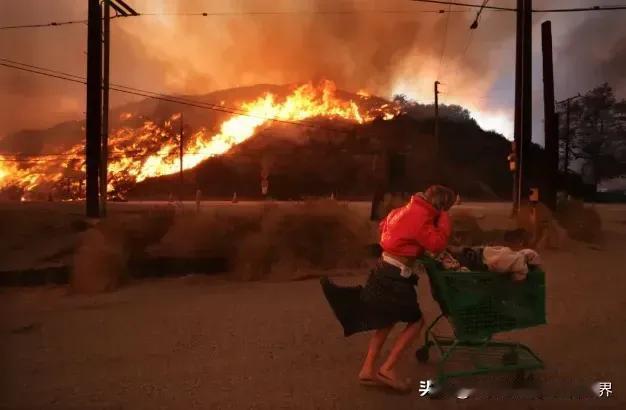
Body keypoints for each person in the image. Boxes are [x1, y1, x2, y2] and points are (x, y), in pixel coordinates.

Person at [320, 185, 456, 392]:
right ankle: (388, 369)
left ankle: (368, 370)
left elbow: (383, 227)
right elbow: (437, 243)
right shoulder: (420, 217)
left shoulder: (403, 210)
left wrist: (406, 246)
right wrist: (444, 218)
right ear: (441, 205)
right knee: (416, 322)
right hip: (396, 276)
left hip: (383, 267)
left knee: (386, 320)